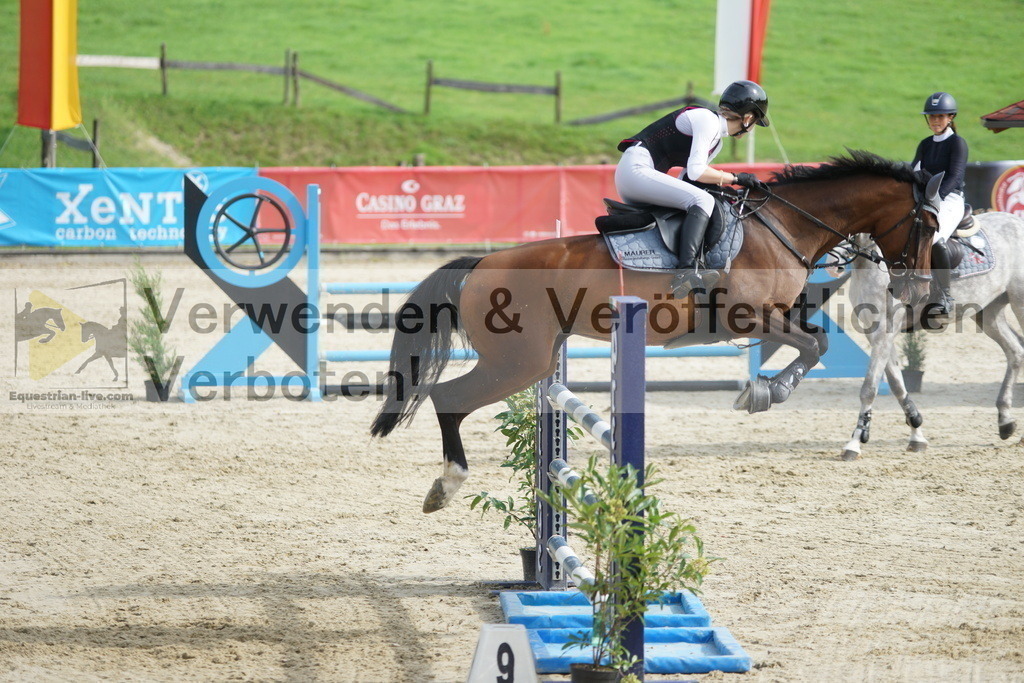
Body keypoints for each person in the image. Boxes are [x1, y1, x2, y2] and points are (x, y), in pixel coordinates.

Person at [615, 79, 771, 297]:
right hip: (635, 170)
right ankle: (686, 271)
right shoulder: (707, 120)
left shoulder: (717, 141)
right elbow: (697, 171)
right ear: (748, 117)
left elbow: (688, 180)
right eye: (755, 122)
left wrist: (729, 191)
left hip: (638, 175)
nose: (752, 129)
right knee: (702, 201)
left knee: (702, 200)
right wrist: (735, 177)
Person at [912, 91, 968, 317]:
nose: (935, 120)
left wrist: (936, 199)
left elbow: (954, 177)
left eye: (940, 116)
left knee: (933, 236)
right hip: (926, 198)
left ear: (950, 117)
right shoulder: (925, 144)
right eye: (932, 117)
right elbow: (914, 171)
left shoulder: (957, 143)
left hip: (950, 198)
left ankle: (945, 294)